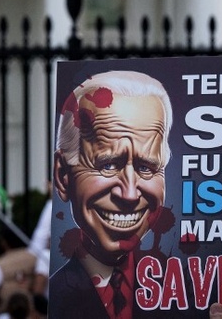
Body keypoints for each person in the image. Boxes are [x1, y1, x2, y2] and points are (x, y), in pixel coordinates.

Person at [50, 70, 172, 319]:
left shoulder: (191, 297)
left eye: (146, 167)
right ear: (63, 175)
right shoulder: (54, 297)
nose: (129, 194)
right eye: (108, 165)